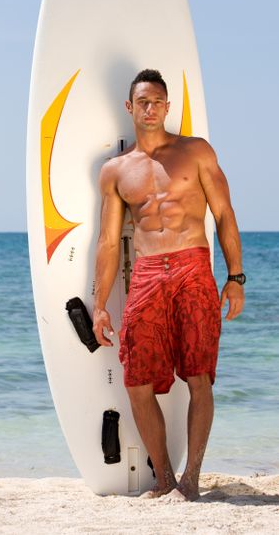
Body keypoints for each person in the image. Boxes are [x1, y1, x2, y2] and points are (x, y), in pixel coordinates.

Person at [92, 68, 245, 501]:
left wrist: (235, 277)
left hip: (193, 266)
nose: (151, 108)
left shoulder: (195, 152)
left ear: (167, 106)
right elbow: (107, 242)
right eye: (143, 102)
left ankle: (191, 481)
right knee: (136, 380)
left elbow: (225, 215)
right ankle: (163, 480)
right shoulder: (115, 171)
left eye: (158, 101)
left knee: (198, 375)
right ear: (130, 108)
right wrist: (99, 303)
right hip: (146, 273)